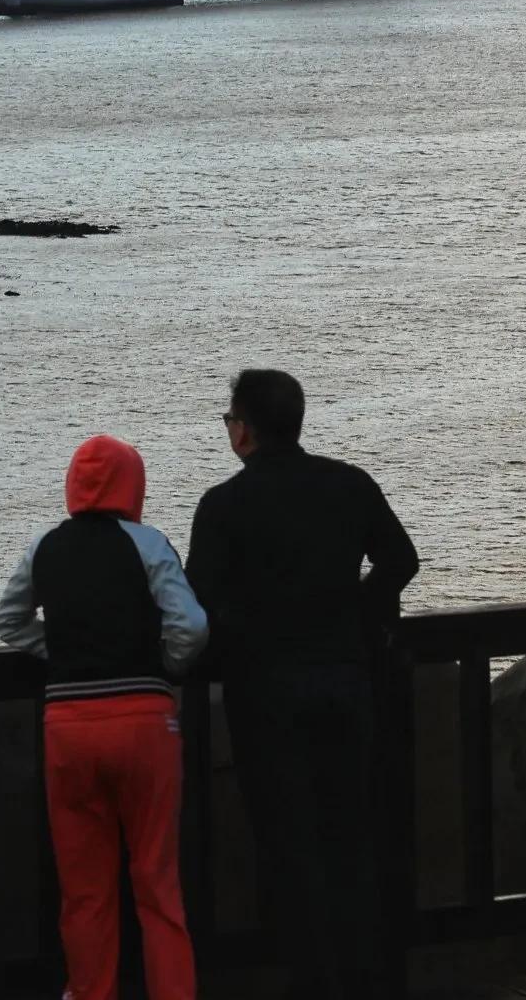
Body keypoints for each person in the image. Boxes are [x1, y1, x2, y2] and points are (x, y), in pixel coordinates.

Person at [185, 369, 419, 1000]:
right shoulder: (349, 484)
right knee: (351, 832)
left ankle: (313, 981)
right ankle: (368, 979)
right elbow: (402, 560)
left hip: (265, 692)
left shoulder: (223, 505)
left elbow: (198, 604)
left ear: (245, 429)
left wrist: (248, 631)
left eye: (230, 419)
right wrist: (356, 612)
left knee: (288, 841)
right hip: (347, 678)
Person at [0, 433, 208, 1000]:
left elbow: (8, 621)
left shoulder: (44, 546)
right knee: (157, 884)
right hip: (143, 721)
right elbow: (191, 626)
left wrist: (58, 654)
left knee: (84, 890)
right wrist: (165, 664)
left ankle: (92, 993)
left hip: (68, 725)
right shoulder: (147, 543)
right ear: (132, 485)